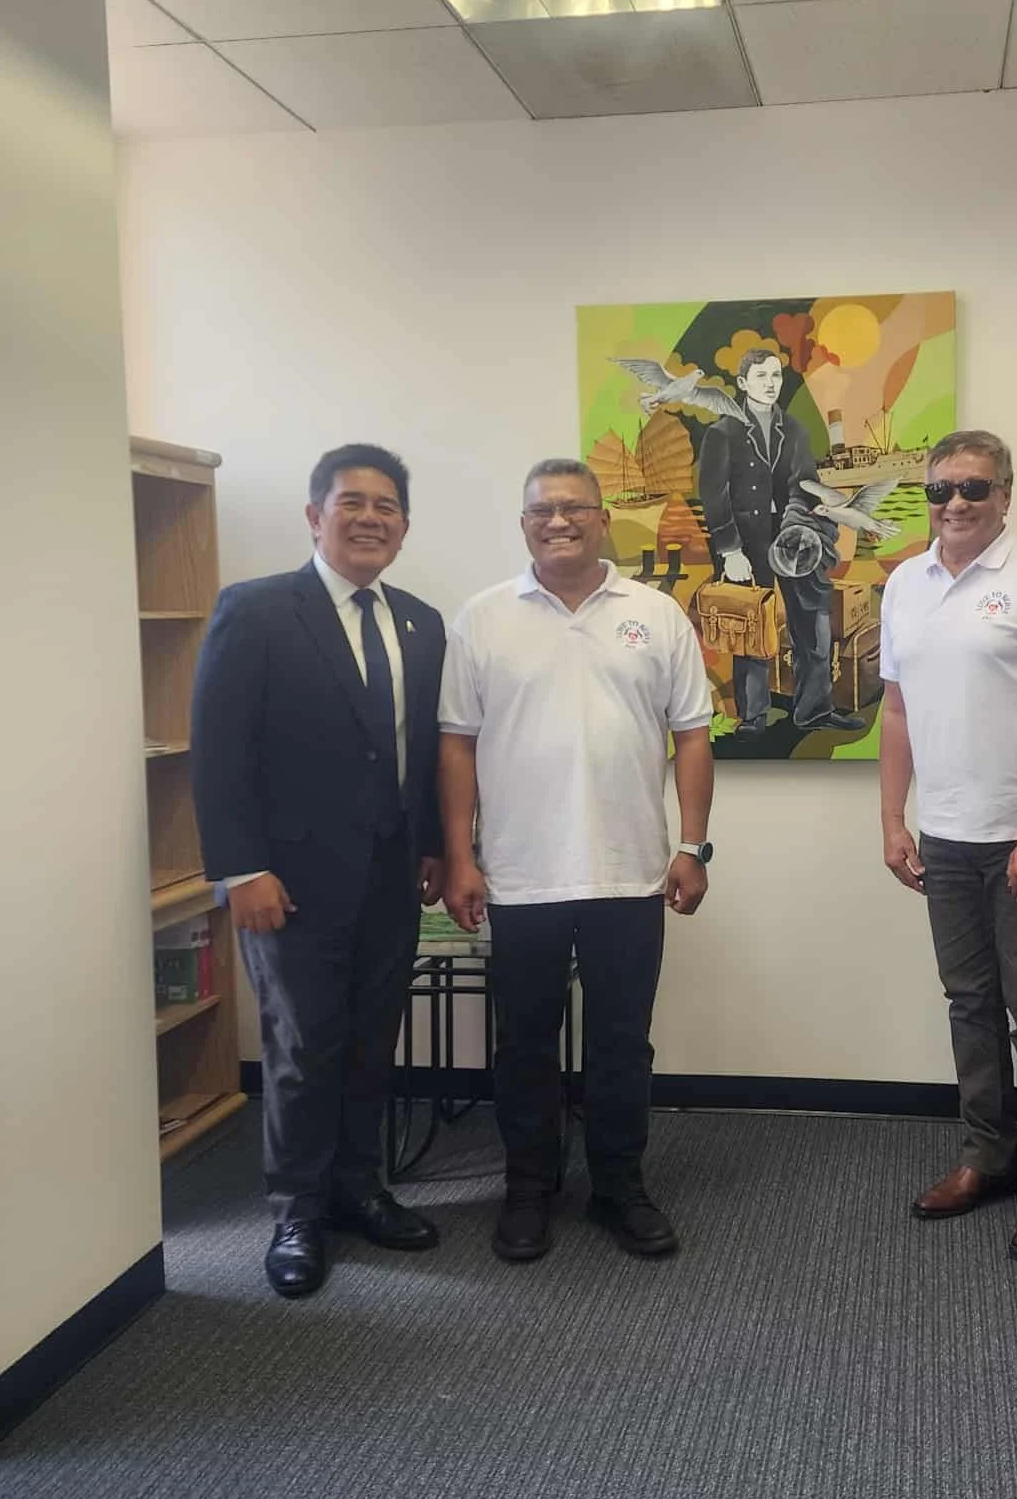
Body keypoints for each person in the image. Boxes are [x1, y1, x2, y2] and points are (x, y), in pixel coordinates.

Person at [439, 459, 715, 1263]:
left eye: (573, 509)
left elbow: (691, 735)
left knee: (623, 1043)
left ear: (602, 519)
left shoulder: (656, 614)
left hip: (632, 872)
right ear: (522, 522)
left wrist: (692, 846)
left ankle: (619, 1186)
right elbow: (455, 745)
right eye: (540, 512)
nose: (557, 522)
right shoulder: (483, 618)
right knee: (524, 1040)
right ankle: (528, 1186)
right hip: (520, 875)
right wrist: (462, 855)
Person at [191, 444, 446, 1299]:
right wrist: (240, 869)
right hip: (288, 883)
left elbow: (419, 755)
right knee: (303, 1047)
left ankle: (358, 1186)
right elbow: (220, 755)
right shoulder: (257, 611)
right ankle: (297, 1209)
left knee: (373, 1040)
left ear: (404, 528)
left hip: (390, 878)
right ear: (315, 515)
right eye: (352, 502)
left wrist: (437, 848)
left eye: (387, 506)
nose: (370, 517)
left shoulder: (421, 622)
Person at [880, 430, 1017, 1258]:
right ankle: (988, 1155)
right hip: (943, 837)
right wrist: (891, 819)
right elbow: (897, 711)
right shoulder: (905, 584)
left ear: (1007, 493)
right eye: (941, 491)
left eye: (974, 488)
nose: (957, 504)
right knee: (969, 1003)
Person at [697, 346, 858, 734]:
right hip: (745, 545)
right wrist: (730, 550)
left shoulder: (796, 429)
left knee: (814, 620)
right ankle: (753, 717)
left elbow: (804, 484)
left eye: (776, 376)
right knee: (751, 626)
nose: (771, 385)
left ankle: (814, 710)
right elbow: (713, 495)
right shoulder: (723, 432)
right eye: (761, 377)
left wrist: (799, 525)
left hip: (794, 536)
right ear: (742, 383)